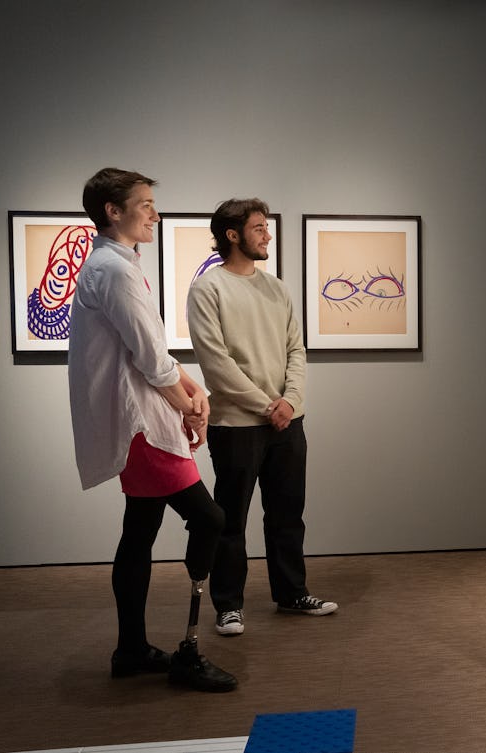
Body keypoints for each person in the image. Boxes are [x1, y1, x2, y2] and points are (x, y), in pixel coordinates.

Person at [67, 168, 237, 692]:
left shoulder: (116, 266)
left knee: (138, 533)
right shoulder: (113, 272)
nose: (155, 214)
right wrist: (187, 405)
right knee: (209, 519)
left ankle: (132, 648)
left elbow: (153, 349)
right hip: (141, 424)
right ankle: (187, 648)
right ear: (113, 211)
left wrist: (195, 393)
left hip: (143, 415)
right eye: (144, 204)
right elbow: (148, 359)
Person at [187, 198, 337, 637]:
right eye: (258, 228)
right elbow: (216, 364)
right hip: (236, 426)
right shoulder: (207, 289)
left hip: (288, 423)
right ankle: (228, 606)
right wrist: (267, 405)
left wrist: (289, 401)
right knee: (230, 519)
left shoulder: (278, 288)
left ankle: (291, 593)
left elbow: (296, 349)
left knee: (288, 514)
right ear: (232, 235)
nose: (267, 234)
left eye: (265, 227)